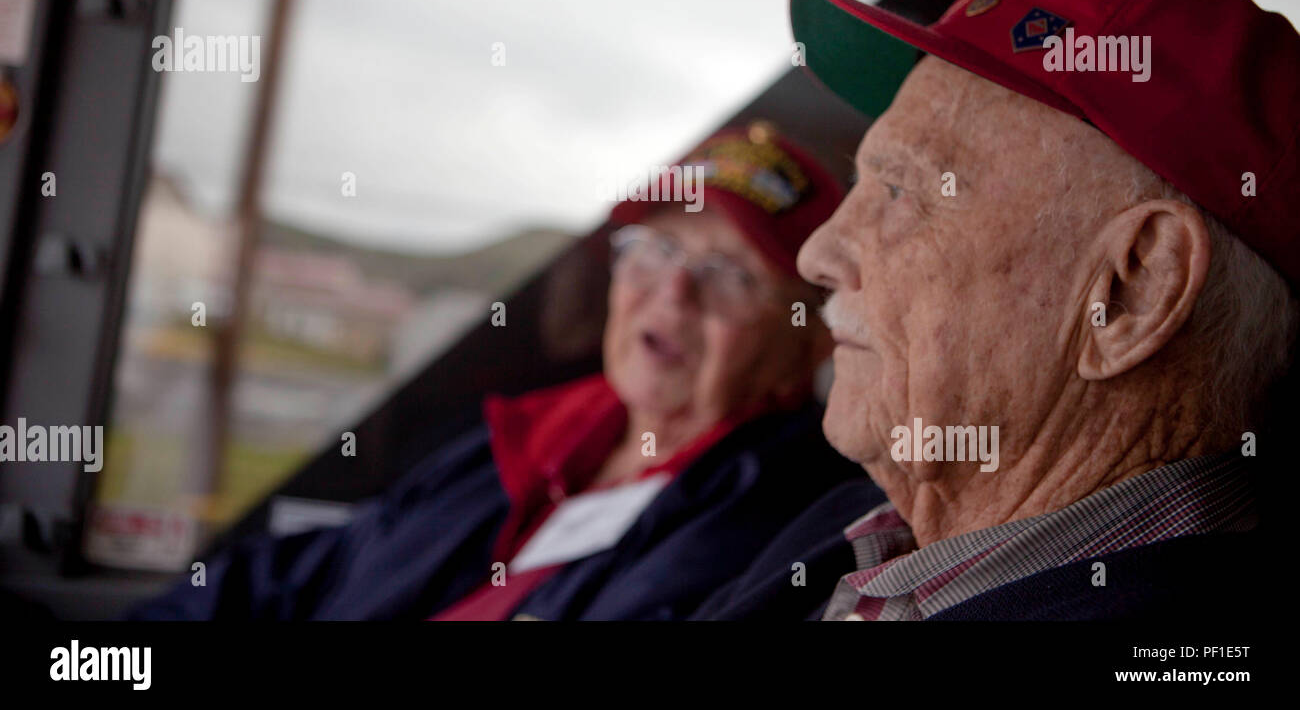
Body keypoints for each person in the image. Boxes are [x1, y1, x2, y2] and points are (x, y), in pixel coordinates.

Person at [694, 0, 1297, 621]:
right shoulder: (847, 528)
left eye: (900, 190)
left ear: (1134, 290)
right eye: (859, 182)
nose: (816, 253)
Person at [129, 122, 865, 620]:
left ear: (814, 337)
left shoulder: (787, 534)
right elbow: (294, 578)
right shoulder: (512, 442)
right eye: (657, 250)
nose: (672, 294)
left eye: (730, 274)